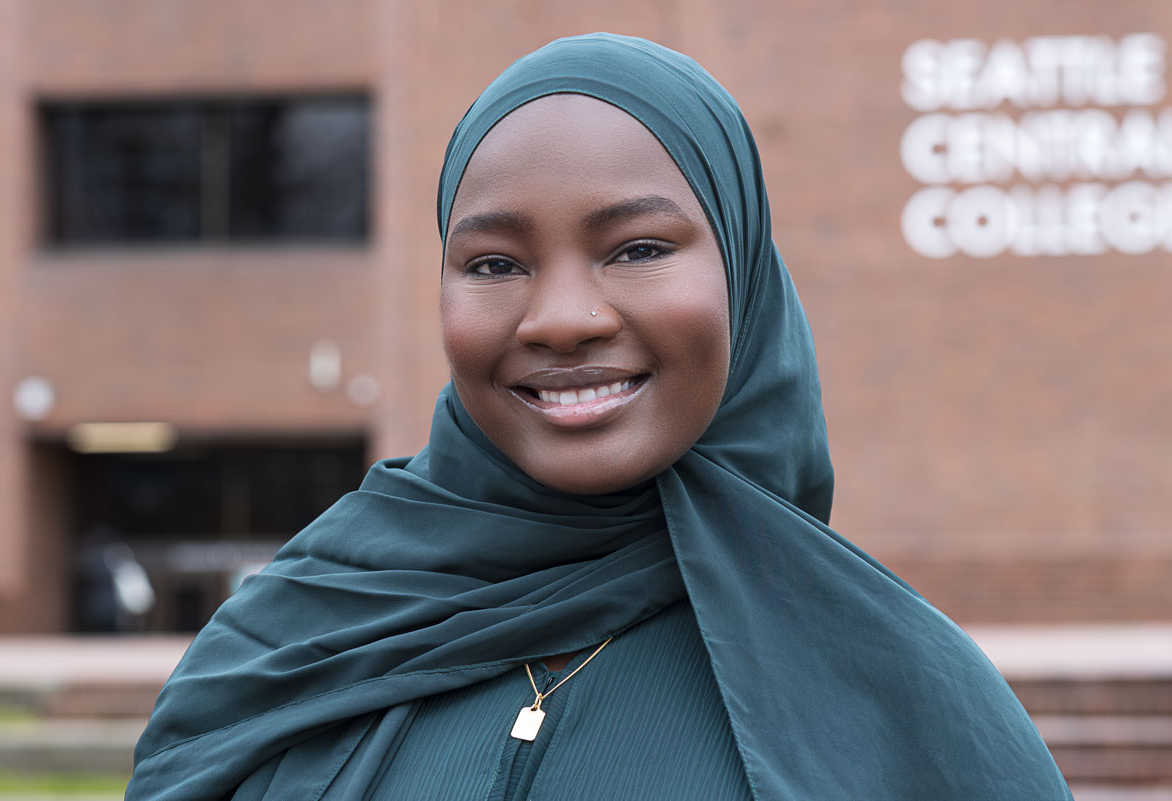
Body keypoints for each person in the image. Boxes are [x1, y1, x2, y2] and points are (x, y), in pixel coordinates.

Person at [127, 33, 1074, 800]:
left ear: (741, 274)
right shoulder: (294, 637)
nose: (563, 318)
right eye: (495, 263)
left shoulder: (902, 700)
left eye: (638, 247)